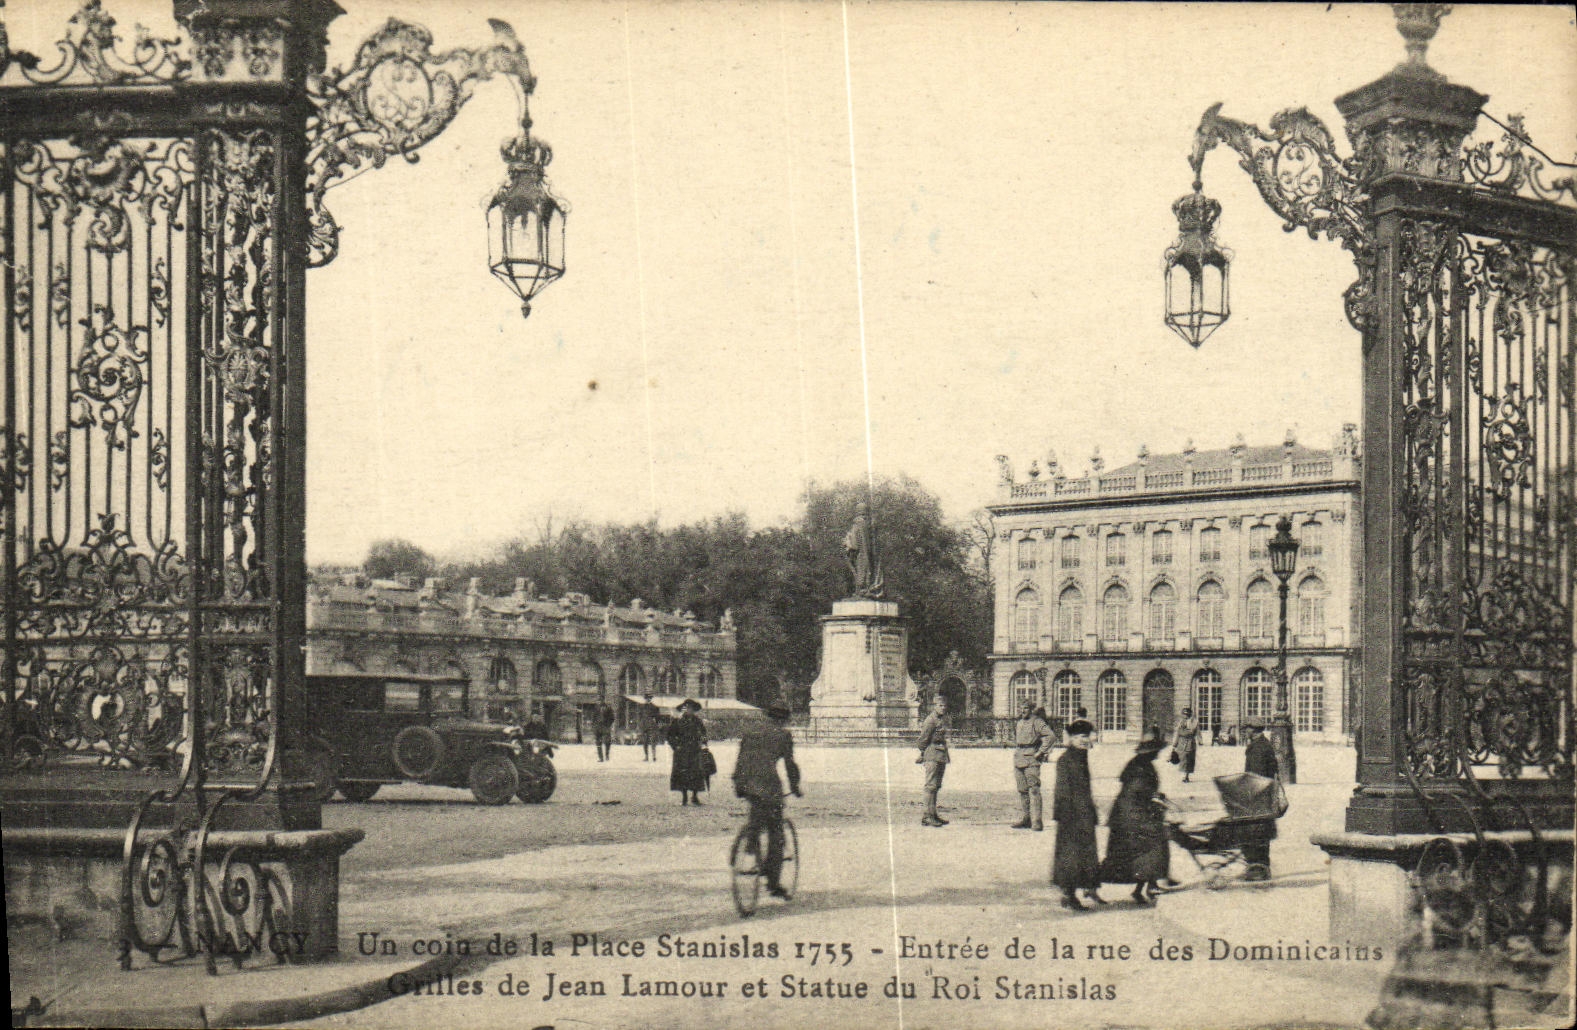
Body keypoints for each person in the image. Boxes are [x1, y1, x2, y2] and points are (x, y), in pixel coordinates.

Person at [732, 701, 803, 899]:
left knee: (756, 815)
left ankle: (750, 846)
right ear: (784, 719)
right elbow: (790, 765)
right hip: (767, 784)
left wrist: (739, 782)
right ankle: (773, 882)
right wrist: (795, 787)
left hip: (743, 780)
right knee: (776, 831)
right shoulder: (783, 735)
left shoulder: (751, 731)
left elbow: (741, 757)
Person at [1100, 726, 1170, 904]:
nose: (1158, 755)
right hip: (1130, 815)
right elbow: (1137, 790)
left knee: (1147, 848)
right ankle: (1150, 884)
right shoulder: (1140, 767)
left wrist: (1155, 796)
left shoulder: (1142, 764)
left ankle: (1144, 887)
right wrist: (1153, 797)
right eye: (1156, 751)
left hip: (1131, 812)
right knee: (1154, 843)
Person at [1051, 718, 1104, 909]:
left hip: (1083, 815)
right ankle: (1069, 895)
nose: (1087, 740)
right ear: (1072, 738)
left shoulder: (1081, 757)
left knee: (1084, 856)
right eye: (1082, 737)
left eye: (1088, 736)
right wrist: (1067, 816)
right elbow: (1062, 791)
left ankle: (1083, 889)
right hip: (1071, 817)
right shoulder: (1066, 760)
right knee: (1071, 857)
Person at [1240, 717, 1280, 880]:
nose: (1245, 731)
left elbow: (1255, 776)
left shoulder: (1259, 748)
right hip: (1263, 794)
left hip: (1259, 795)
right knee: (1260, 830)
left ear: (1253, 729)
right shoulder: (1262, 745)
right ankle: (1259, 866)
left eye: (1247, 728)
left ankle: (1258, 867)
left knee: (1256, 830)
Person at [1010, 699, 1055, 830]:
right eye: (1020, 708)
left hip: (1031, 759)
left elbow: (1051, 736)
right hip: (1018, 758)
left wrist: (1040, 752)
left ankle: (1037, 821)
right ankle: (1026, 819)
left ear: (1031, 709)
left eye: (1025, 708)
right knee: (1022, 790)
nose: (1022, 711)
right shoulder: (1019, 723)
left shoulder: (1037, 721)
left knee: (1034, 789)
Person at [916, 695, 950, 827]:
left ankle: (933, 814)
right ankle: (927, 816)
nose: (943, 708)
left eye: (944, 706)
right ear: (934, 706)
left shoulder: (941, 719)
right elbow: (922, 740)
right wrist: (924, 753)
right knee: (930, 786)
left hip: (940, 755)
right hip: (932, 755)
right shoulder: (930, 720)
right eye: (940, 705)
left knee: (936, 786)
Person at [667, 699, 709, 805]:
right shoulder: (678, 721)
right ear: (683, 709)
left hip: (695, 751)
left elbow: (704, 733)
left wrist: (704, 742)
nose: (689, 710)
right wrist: (676, 746)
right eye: (687, 708)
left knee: (696, 774)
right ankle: (684, 796)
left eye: (691, 708)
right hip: (682, 752)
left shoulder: (697, 721)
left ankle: (695, 796)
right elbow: (670, 735)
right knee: (683, 774)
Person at [1172, 707, 1200, 783]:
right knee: (1183, 759)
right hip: (1181, 743)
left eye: (1187, 714)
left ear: (1190, 714)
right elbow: (1177, 733)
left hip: (1190, 743)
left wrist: (1200, 741)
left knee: (1189, 759)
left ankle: (1186, 776)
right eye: (1184, 714)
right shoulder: (1180, 723)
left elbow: (1197, 732)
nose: (1185, 716)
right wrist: (1174, 745)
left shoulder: (1194, 722)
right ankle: (1184, 775)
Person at [637, 693, 660, 762]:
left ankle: (654, 756)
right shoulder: (642, 707)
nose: (648, 699)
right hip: (644, 726)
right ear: (645, 699)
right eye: (646, 698)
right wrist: (640, 724)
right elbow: (639, 716)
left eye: (649, 698)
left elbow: (658, 717)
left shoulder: (655, 707)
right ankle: (646, 756)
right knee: (645, 742)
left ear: (651, 699)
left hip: (652, 726)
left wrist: (656, 723)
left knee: (653, 741)